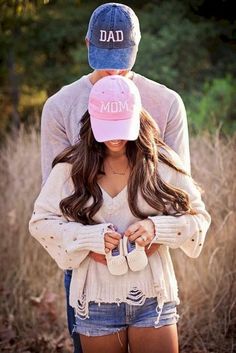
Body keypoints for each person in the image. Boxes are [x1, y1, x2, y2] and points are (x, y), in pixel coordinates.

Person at [40, 3, 191, 352]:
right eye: (102, 58)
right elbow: (52, 200)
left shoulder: (167, 102)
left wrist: (153, 234)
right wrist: (88, 242)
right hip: (87, 270)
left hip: (148, 266)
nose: (112, 71)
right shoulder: (60, 106)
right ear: (87, 43)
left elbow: (180, 195)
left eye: (122, 59)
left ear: (137, 48)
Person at [29, 75, 211, 353]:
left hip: (154, 296)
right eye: (107, 126)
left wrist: (155, 229)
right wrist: (89, 239)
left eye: (122, 126)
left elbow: (198, 219)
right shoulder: (70, 169)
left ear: (138, 118)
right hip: (96, 301)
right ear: (91, 120)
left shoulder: (161, 163)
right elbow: (41, 223)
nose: (115, 137)